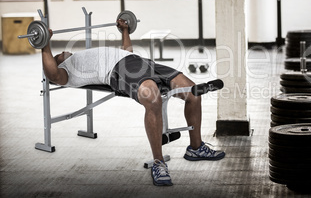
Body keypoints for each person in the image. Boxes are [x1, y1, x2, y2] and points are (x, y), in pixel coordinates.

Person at [41, 19, 225, 186]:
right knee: (153, 100)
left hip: (139, 61)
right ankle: (159, 163)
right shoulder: (66, 71)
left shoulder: (82, 55)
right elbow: (52, 75)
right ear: (57, 62)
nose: (63, 52)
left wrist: (125, 31)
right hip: (118, 71)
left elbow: (126, 52)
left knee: (193, 93)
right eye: (58, 55)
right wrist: (45, 44)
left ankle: (196, 148)